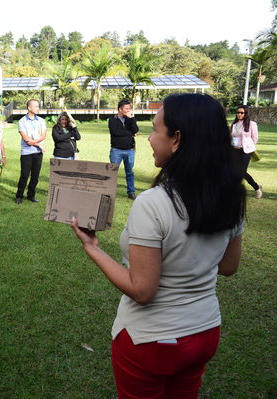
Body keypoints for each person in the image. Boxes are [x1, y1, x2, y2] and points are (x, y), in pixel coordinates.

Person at [71, 93, 246, 399]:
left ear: (176, 138)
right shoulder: (232, 192)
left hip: (150, 340)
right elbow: (228, 267)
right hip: (205, 333)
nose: (150, 139)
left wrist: (92, 247)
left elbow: (142, 290)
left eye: (154, 129)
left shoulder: (154, 203)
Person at [15, 99, 46, 204]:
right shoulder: (22, 121)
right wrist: (38, 145)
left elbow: (43, 136)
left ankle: (31, 196)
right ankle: (19, 196)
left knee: (35, 176)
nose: (38, 108)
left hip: (38, 153)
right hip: (27, 153)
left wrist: (34, 142)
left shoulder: (41, 121)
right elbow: (25, 139)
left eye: (38, 106)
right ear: (29, 108)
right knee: (24, 175)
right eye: (36, 106)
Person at [109, 99, 139, 200]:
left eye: (129, 108)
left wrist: (131, 119)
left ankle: (131, 192)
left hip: (129, 150)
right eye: (126, 108)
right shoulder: (112, 120)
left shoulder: (130, 119)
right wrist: (130, 133)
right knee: (113, 172)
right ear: (120, 109)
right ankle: (110, 192)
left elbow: (136, 130)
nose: (128, 110)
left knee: (130, 172)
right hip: (116, 151)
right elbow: (115, 132)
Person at [231, 105, 262, 199]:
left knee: (241, 172)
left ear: (246, 113)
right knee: (234, 171)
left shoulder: (251, 124)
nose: (239, 114)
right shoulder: (234, 124)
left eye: (241, 113)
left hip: (246, 151)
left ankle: (257, 188)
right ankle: (235, 189)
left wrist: (249, 145)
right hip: (234, 150)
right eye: (238, 112)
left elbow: (255, 138)